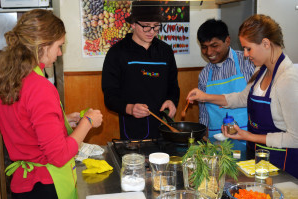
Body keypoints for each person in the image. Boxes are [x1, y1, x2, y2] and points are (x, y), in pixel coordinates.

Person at [0, 9, 103, 199]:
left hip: (22, 184)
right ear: (43, 46)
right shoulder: (40, 87)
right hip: (45, 185)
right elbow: (59, 155)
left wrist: (62, 120)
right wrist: (87, 121)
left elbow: (26, 124)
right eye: (59, 46)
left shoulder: (8, 78)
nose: (60, 52)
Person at [187, 14, 298, 178]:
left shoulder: (287, 79)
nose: (245, 54)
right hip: (258, 158)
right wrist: (204, 97)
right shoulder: (261, 71)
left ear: (266, 43)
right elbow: (240, 98)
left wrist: (248, 136)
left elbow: (295, 138)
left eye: (248, 48)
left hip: (281, 165)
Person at [102, 1, 180, 140]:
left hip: (164, 128)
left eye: (156, 26)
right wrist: (130, 108)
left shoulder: (165, 51)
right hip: (133, 129)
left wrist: (171, 100)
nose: (151, 32)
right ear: (133, 24)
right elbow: (110, 96)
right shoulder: (117, 53)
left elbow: (173, 85)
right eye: (146, 26)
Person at [195, 19, 255, 143]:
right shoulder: (204, 75)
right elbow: (204, 114)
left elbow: (255, 101)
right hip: (216, 139)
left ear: (227, 41)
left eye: (214, 46)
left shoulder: (247, 62)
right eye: (204, 47)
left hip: (248, 136)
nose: (209, 52)